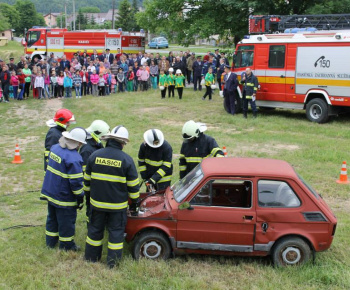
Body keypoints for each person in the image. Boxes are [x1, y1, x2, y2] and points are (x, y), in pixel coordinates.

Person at [84, 125, 140, 268]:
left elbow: (86, 183)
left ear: (108, 139)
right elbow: (133, 187)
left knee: (95, 231)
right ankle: (112, 263)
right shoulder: (127, 160)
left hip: (96, 204)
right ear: (123, 143)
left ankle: (91, 259)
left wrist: (89, 200)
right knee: (115, 234)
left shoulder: (94, 156)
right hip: (117, 207)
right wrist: (135, 203)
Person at [40, 127, 87, 251]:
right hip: (64, 197)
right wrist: (80, 197)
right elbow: (76, 183)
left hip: (51, 192)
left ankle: (50, 242)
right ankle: (66, 246)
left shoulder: (55, 148)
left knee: (52, 218)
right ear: (78, 143)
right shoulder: (74, 158)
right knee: (66, 222)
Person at [80, 120, 110, 222]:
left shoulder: (97, 143)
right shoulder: (87, 149)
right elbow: (85, 173)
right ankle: (91, 223)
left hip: (99, 182)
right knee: (91, 208)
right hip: (92, 185)